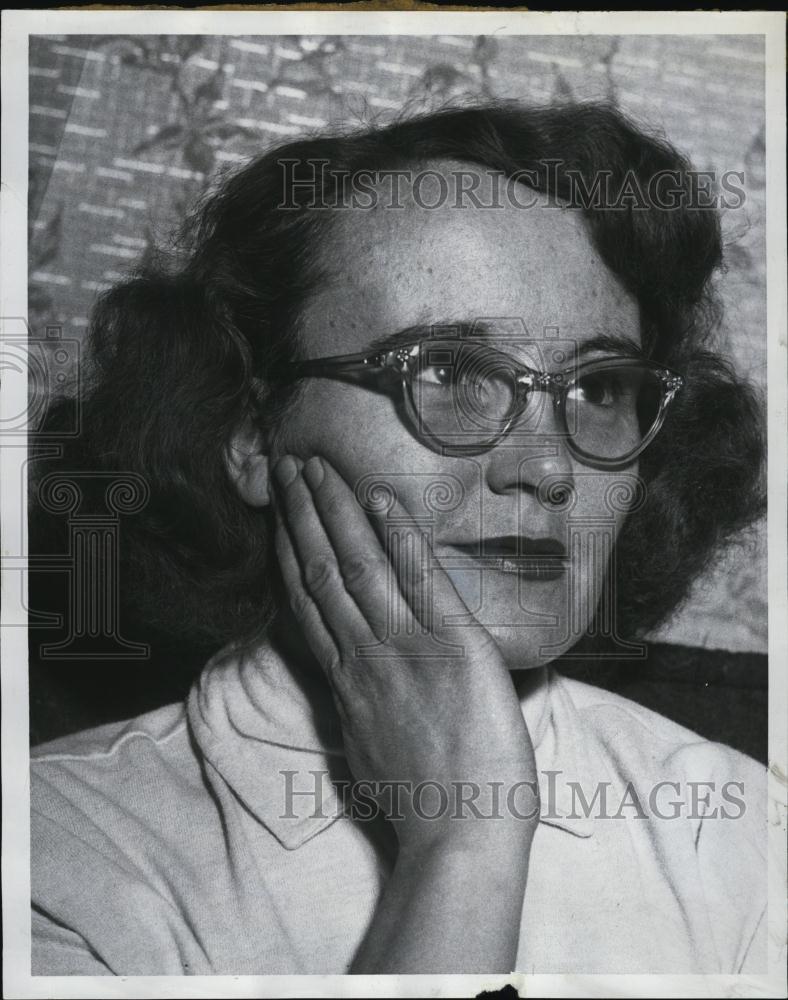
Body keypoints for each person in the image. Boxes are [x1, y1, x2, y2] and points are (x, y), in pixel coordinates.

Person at [30, 101, 768, 976]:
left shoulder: (740, 831)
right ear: (251, 433)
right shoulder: (51, 854)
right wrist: (461, 843)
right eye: (450, 371)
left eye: (600, 388)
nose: (546, 467)